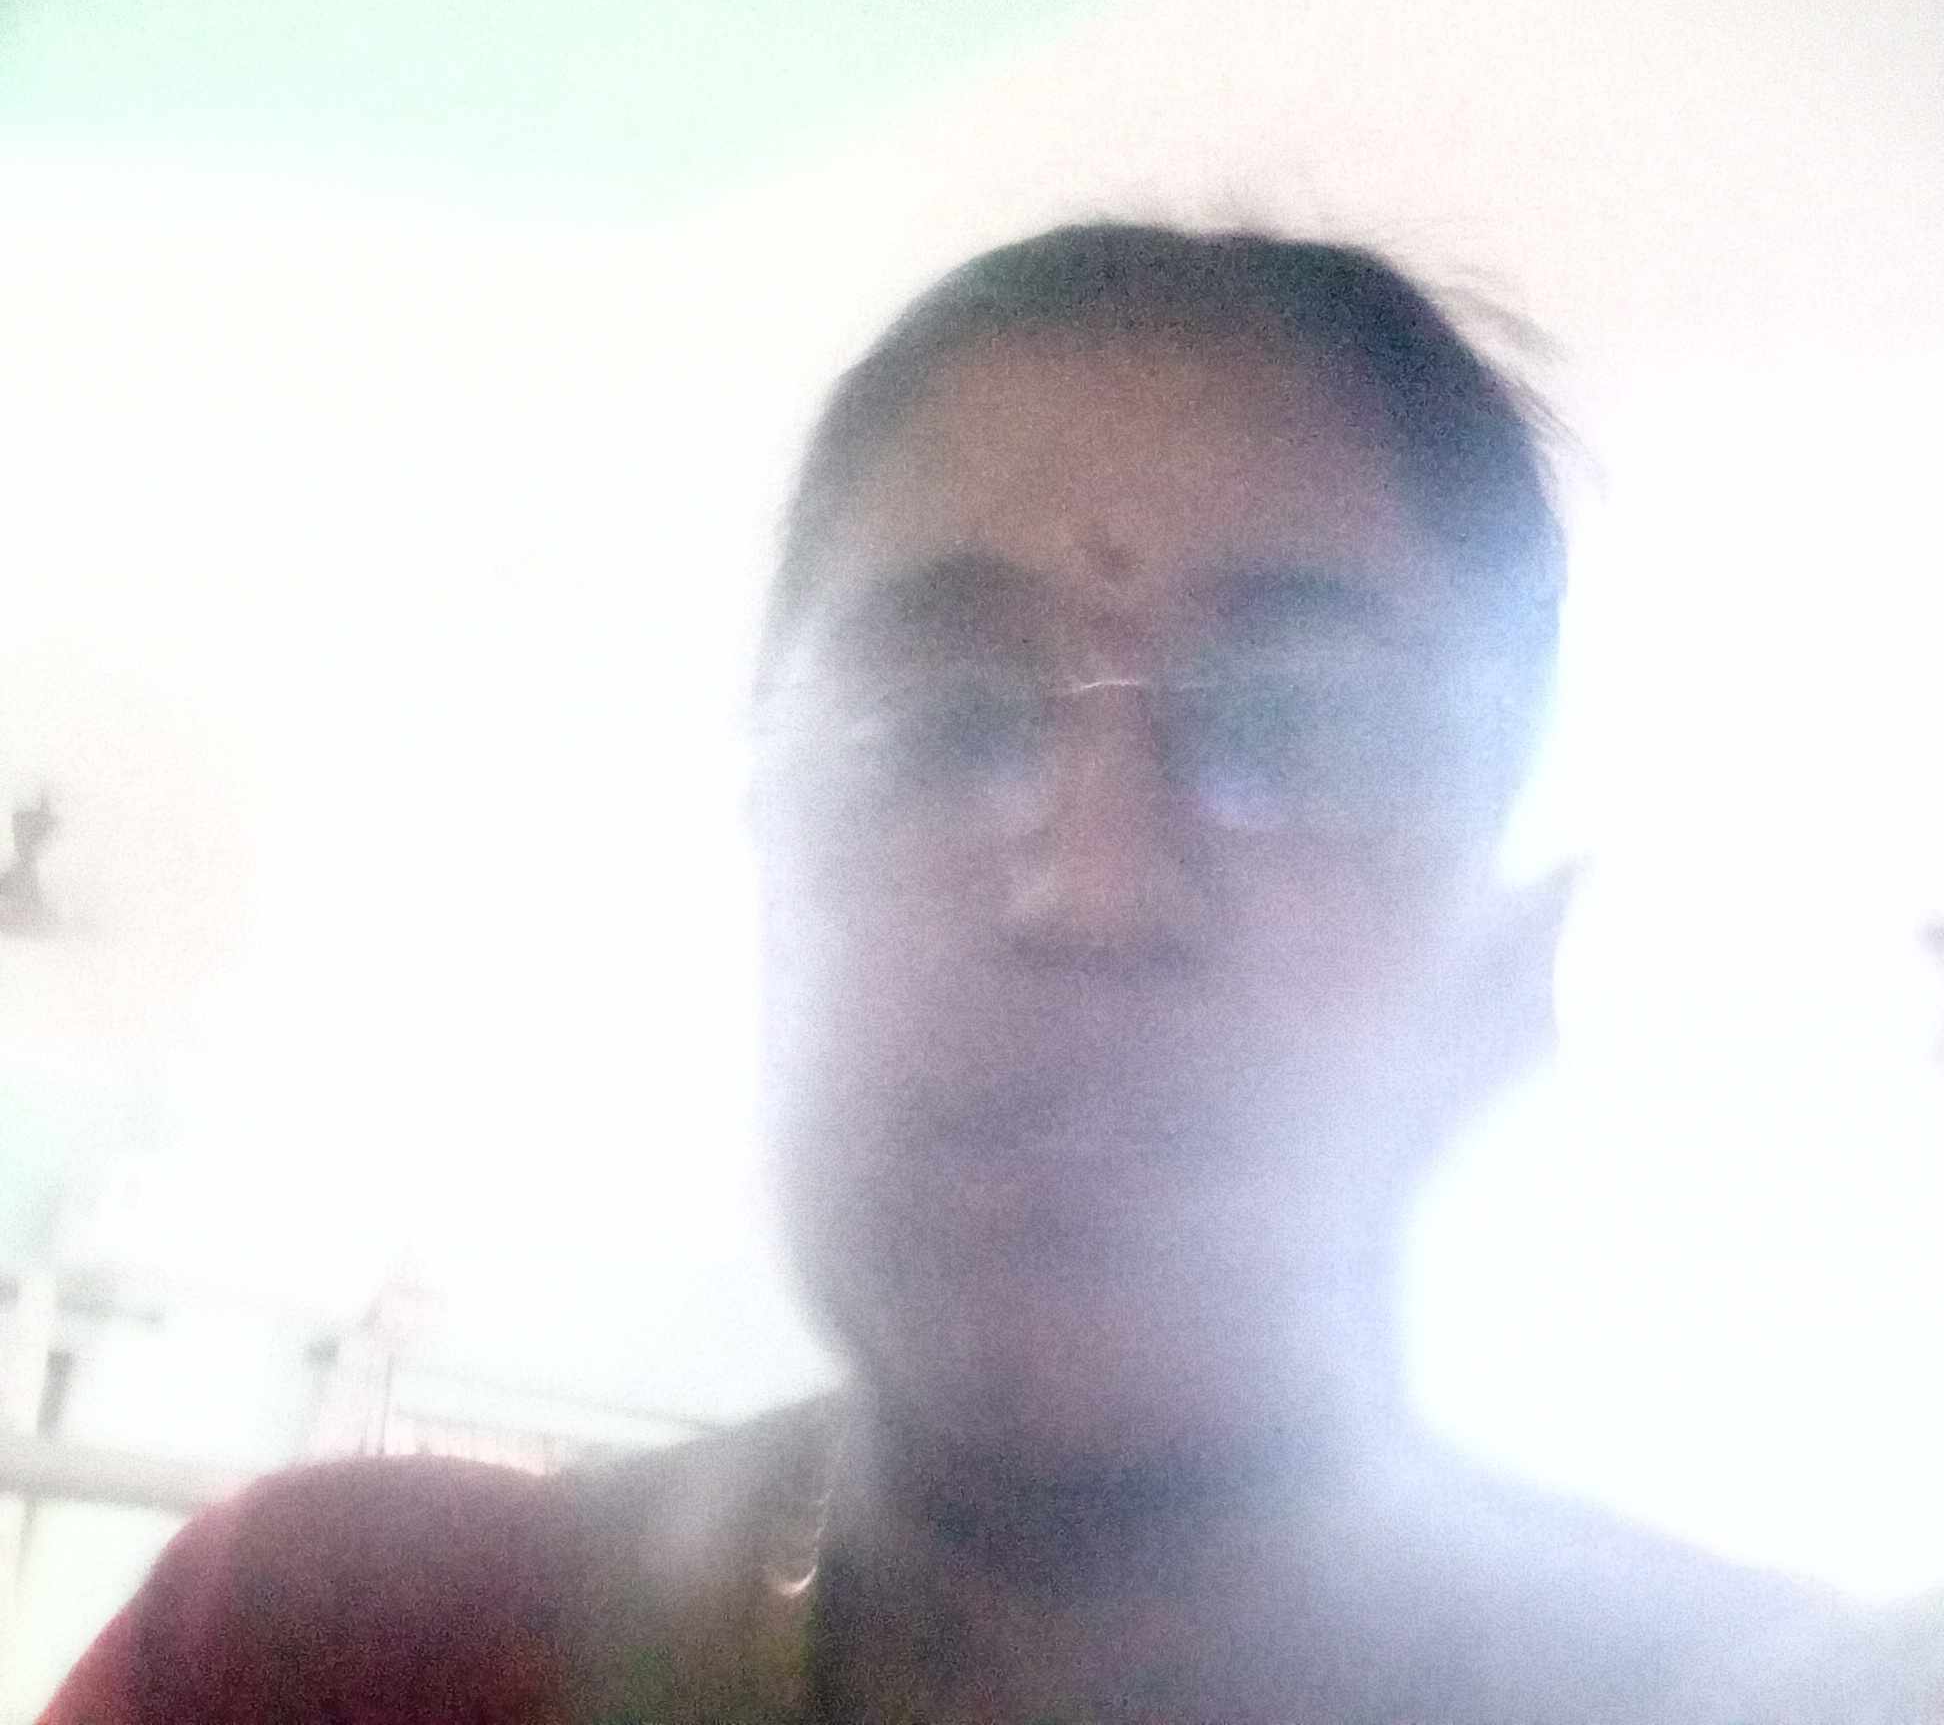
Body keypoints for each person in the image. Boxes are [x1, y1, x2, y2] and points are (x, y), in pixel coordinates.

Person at [43, 223, 1827, 1723]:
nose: (1098, 891)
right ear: (763, 875)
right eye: (942, 725)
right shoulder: (313, 1661)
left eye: (1299, 732)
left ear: (1504, 975)